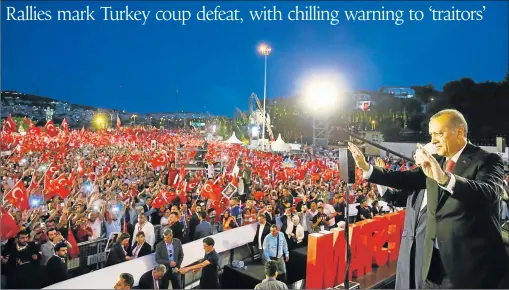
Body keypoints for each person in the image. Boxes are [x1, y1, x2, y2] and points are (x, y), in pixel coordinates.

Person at [348, 109, 509, 289]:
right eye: (431, 134)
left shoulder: (487, 160)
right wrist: (368, 168)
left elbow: (488, 193)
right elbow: (404, 179)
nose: (433, 140)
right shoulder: (438, 161)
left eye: (438, 134)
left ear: (460, 132)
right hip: (433, 267)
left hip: (471, 268)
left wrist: (445, 179)